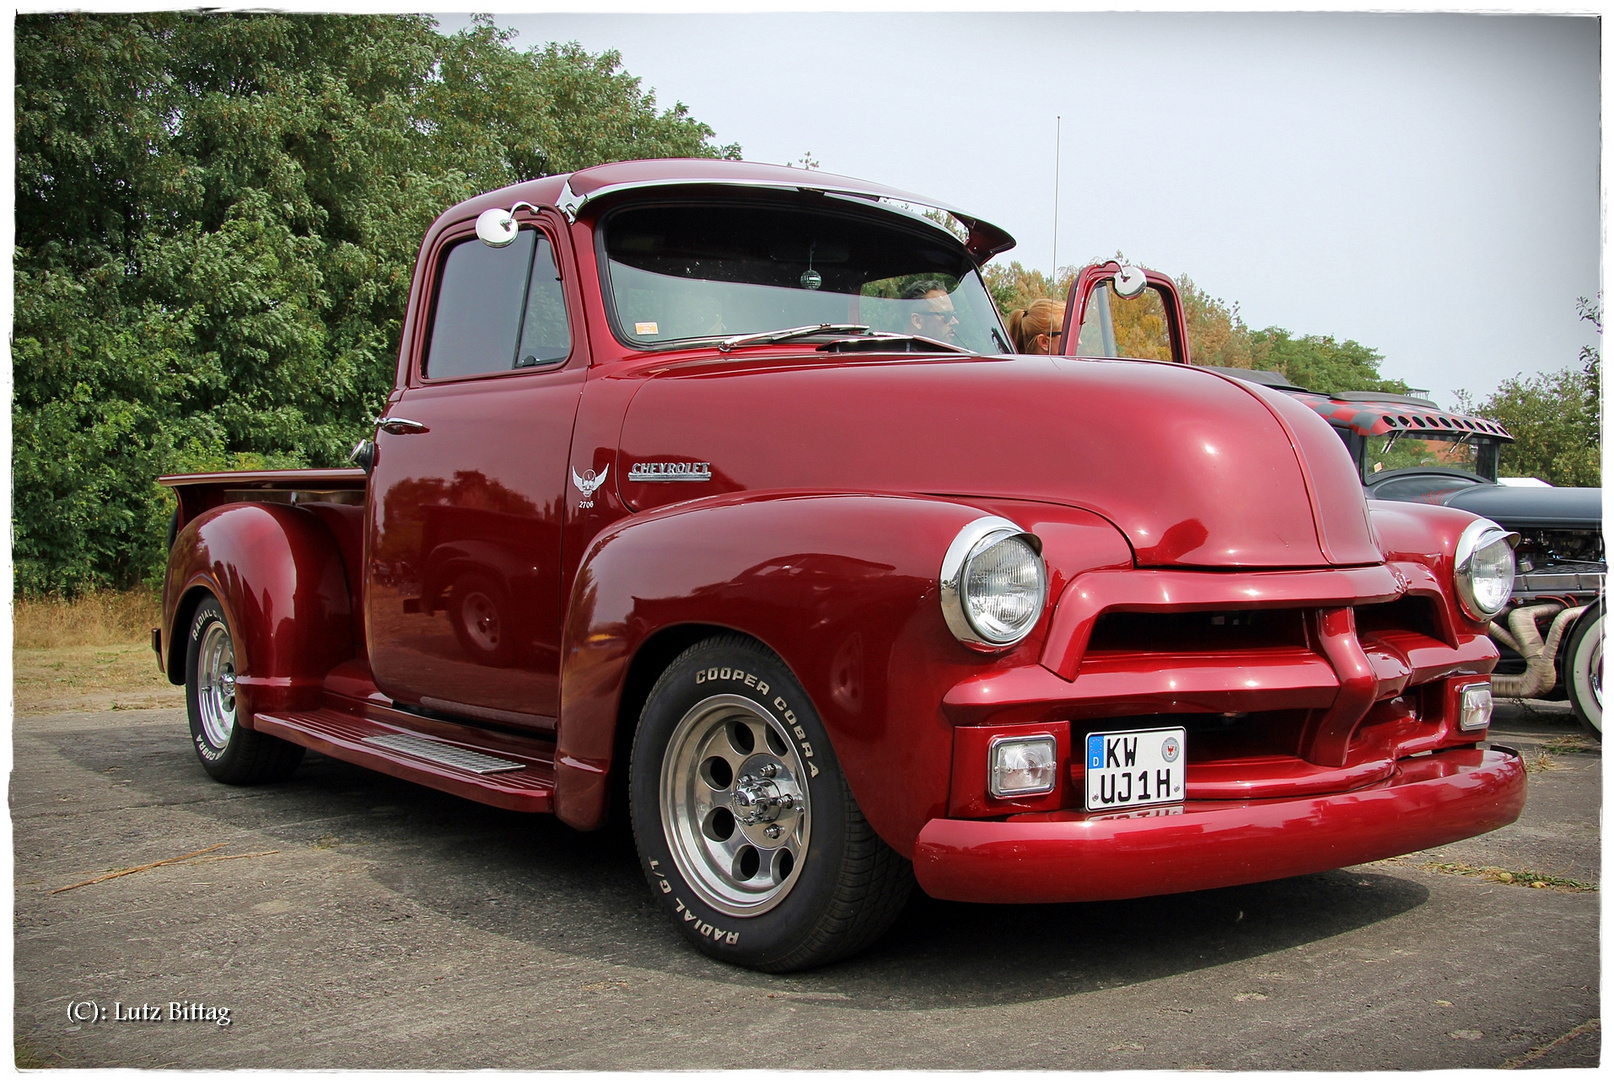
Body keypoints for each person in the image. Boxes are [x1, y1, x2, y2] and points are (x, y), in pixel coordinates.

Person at [902, 279, 960, 343]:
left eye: (953, 314)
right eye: (946, 315)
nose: (956, 322)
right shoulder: (896, 349)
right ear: (917, 321)